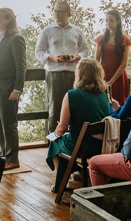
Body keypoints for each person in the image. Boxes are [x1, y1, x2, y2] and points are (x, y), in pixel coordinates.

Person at [46, 59, 113, 193]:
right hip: (102, 146)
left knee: (55, 143)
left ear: (79, 74)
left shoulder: (72, 95)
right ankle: (78, 176)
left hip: (81, 146)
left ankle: (62, 183)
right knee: (66, 142)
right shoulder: (104, 94)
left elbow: (62, 128)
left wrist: (56, 132)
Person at [34, 0, 89, 133]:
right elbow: (38, 51)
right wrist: (51, 58)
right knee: (55, 109)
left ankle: (72, 142)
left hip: (74, 74)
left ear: (68, 13)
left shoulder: (77, 31)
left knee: (75, 107)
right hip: (54, 74)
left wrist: (77, 57)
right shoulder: (47, 31)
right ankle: (54, 145)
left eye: (60, 11)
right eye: (55, 11)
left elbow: (85, 50)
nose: (56, 14)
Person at [0, 7, 27, 170]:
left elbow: (21, 66)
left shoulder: (16, 39)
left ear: (8, 20)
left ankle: (13, 158)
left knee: (10, 123)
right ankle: (4, 153)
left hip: (9, 88)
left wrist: (17, 89)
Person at [95, 9, 131, 107]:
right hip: (103, 74)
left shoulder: (124, 39)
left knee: (118, 104)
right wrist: (98, 77)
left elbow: (124, 64)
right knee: (102, 103)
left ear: (118, 21)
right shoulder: (101, 38)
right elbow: (96, 61)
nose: (108, 23)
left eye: (111, 20)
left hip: (118, 76)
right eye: (106, 21)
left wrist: (112, 81)